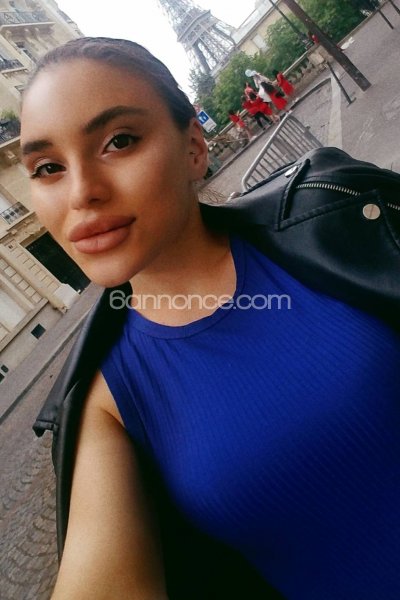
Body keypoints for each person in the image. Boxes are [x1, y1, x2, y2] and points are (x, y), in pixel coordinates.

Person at [21, 37, 400, 600]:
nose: (82, 194)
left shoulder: (334, 216)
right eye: (48, 167)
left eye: (119, 141)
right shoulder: (105, 404)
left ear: (194, 148)